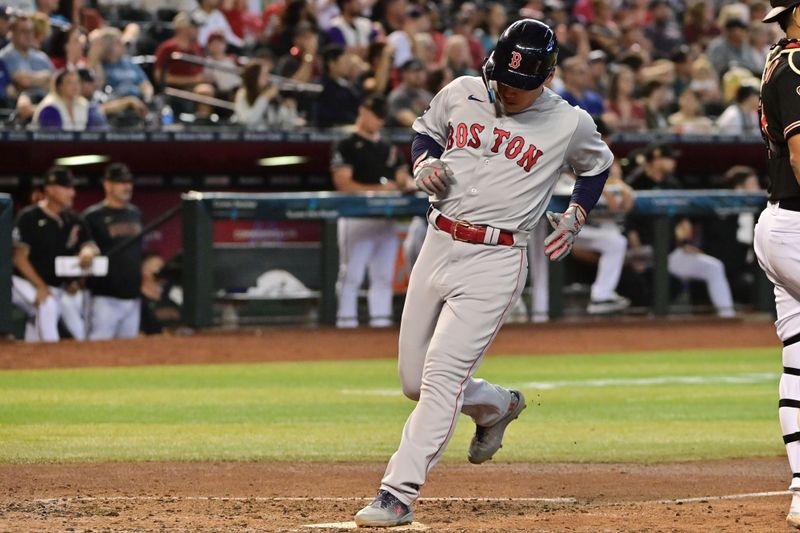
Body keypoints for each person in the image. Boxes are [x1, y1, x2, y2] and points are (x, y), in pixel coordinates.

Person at [353, 19, 614, 527]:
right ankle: (496, 404)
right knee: (414, 380)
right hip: (437, 242)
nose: (510, 92)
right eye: (505, 81)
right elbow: (425, 133)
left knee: (442, 376)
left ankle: (397, 492)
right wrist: (423, 163)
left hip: (497, 259)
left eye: (523, 86)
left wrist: (578, 214)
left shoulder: (569, 122)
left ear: (548, 76)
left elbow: (597, 165)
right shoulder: (463, 91)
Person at [754, 2, 800, 527]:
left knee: (798, 358)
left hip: (782, 222)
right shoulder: (796, 65)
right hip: (795, 226)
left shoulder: (778, 59)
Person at [625, 143, 735, 317]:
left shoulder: (672, 183)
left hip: (670, 252)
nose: (673, 162)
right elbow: (628, 222)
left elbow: (682, 220)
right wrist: (637, 251)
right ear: (656, 158)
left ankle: (728, 316)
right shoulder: (635, 182)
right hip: (643, 252)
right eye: (669, 158)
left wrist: (684, 242)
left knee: (713, 267)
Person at [330, 94, 411, 328]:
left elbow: (402, 178)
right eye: (375, 114)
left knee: (384, 277)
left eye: (381, 116)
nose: (379, 120)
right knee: (351, 275)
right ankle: (346, 324)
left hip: (385, 220)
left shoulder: (388, 148)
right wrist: (381, 189)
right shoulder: (346, 144)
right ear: (363, 112)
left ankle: (380, 324)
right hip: (356, 217)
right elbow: (343, 184)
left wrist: (405, 183)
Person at [11, 166, 98, 342]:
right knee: (47, 306)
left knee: (39, 321)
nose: (72, 193)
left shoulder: (74, 219)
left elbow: (91, 246)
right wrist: (41, 286)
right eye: (66, 188)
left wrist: (87, 252)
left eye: (72, 188)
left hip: (55, 285)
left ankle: (31, 363)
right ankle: (51, 355)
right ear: (50, 189)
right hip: (21, 281)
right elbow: (18, 258)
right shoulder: (30, 216)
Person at [82, 163, 143, 340]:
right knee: (97, 349)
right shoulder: (92, 216)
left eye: (129, 182)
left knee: (128, 353)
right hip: (104, 296)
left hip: (132, 295)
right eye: (121, 182)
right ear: (107, 185)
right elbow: (85, 245)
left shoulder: (135, 213)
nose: (127, 186)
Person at [32, 67, 105, 130]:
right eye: (69, 82)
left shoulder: (84, 104)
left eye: (77, 82)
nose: (75, 86)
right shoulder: (50, 107)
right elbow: (52, 139)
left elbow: (92, 135)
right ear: (60, 86)